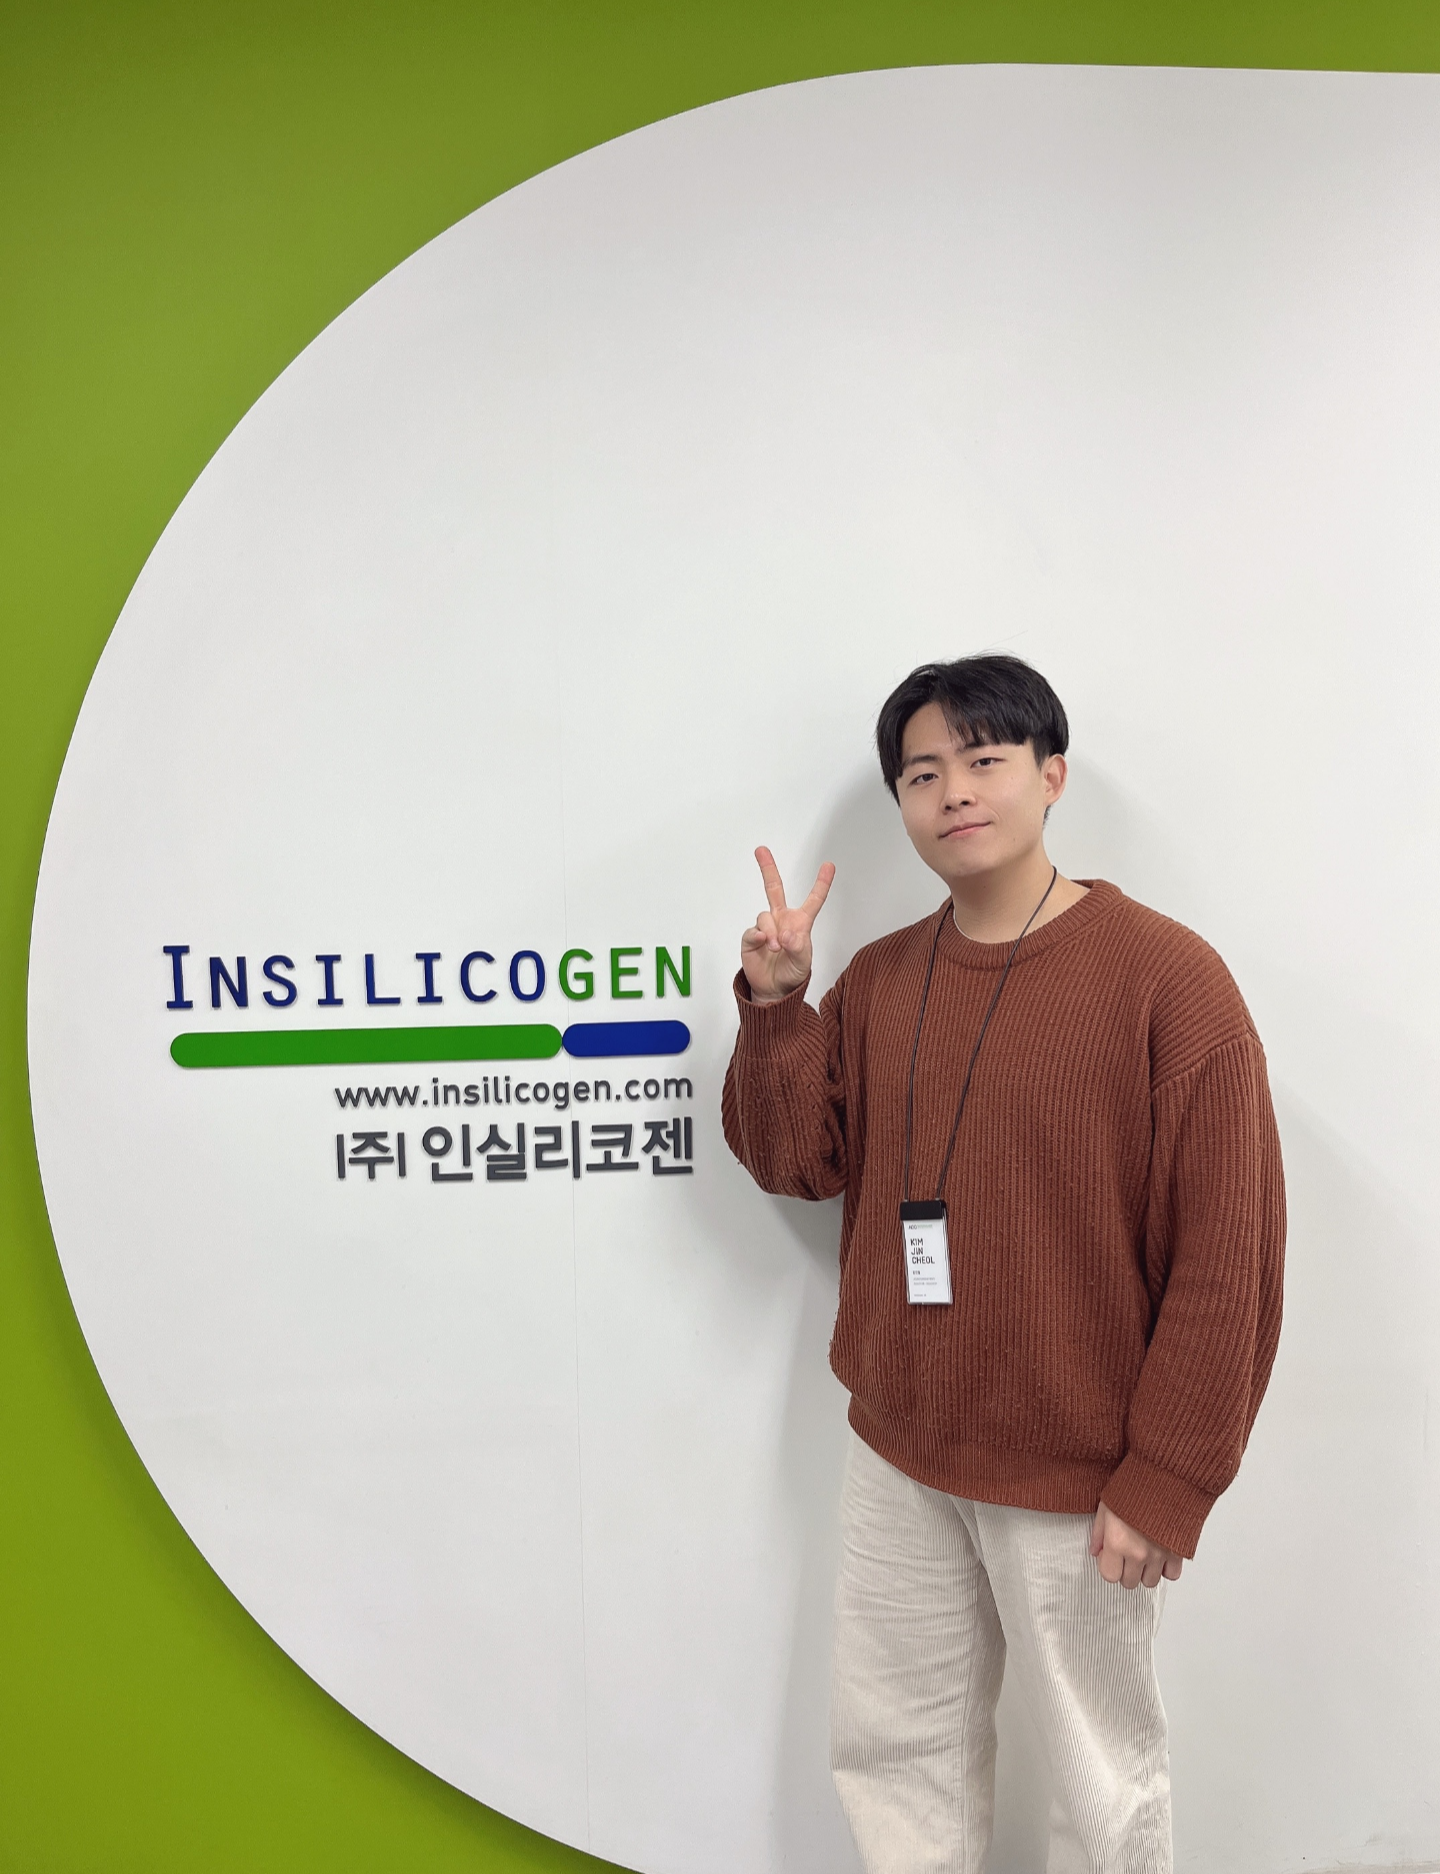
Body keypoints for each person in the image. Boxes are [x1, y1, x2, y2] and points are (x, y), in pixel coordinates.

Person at [722, 653, 1284, 1874]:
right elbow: (796, 1159)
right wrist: (777, 1007)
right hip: (900, 1447)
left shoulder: (1168, 978)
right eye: (923, 773)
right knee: (893, 1751)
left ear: (1051, 775)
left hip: (1082, 1466)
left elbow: (1227, 1252)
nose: (955, 792)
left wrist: (1169, 1475)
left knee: (1100, 1775)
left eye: (984, 759)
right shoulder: (879, 978)